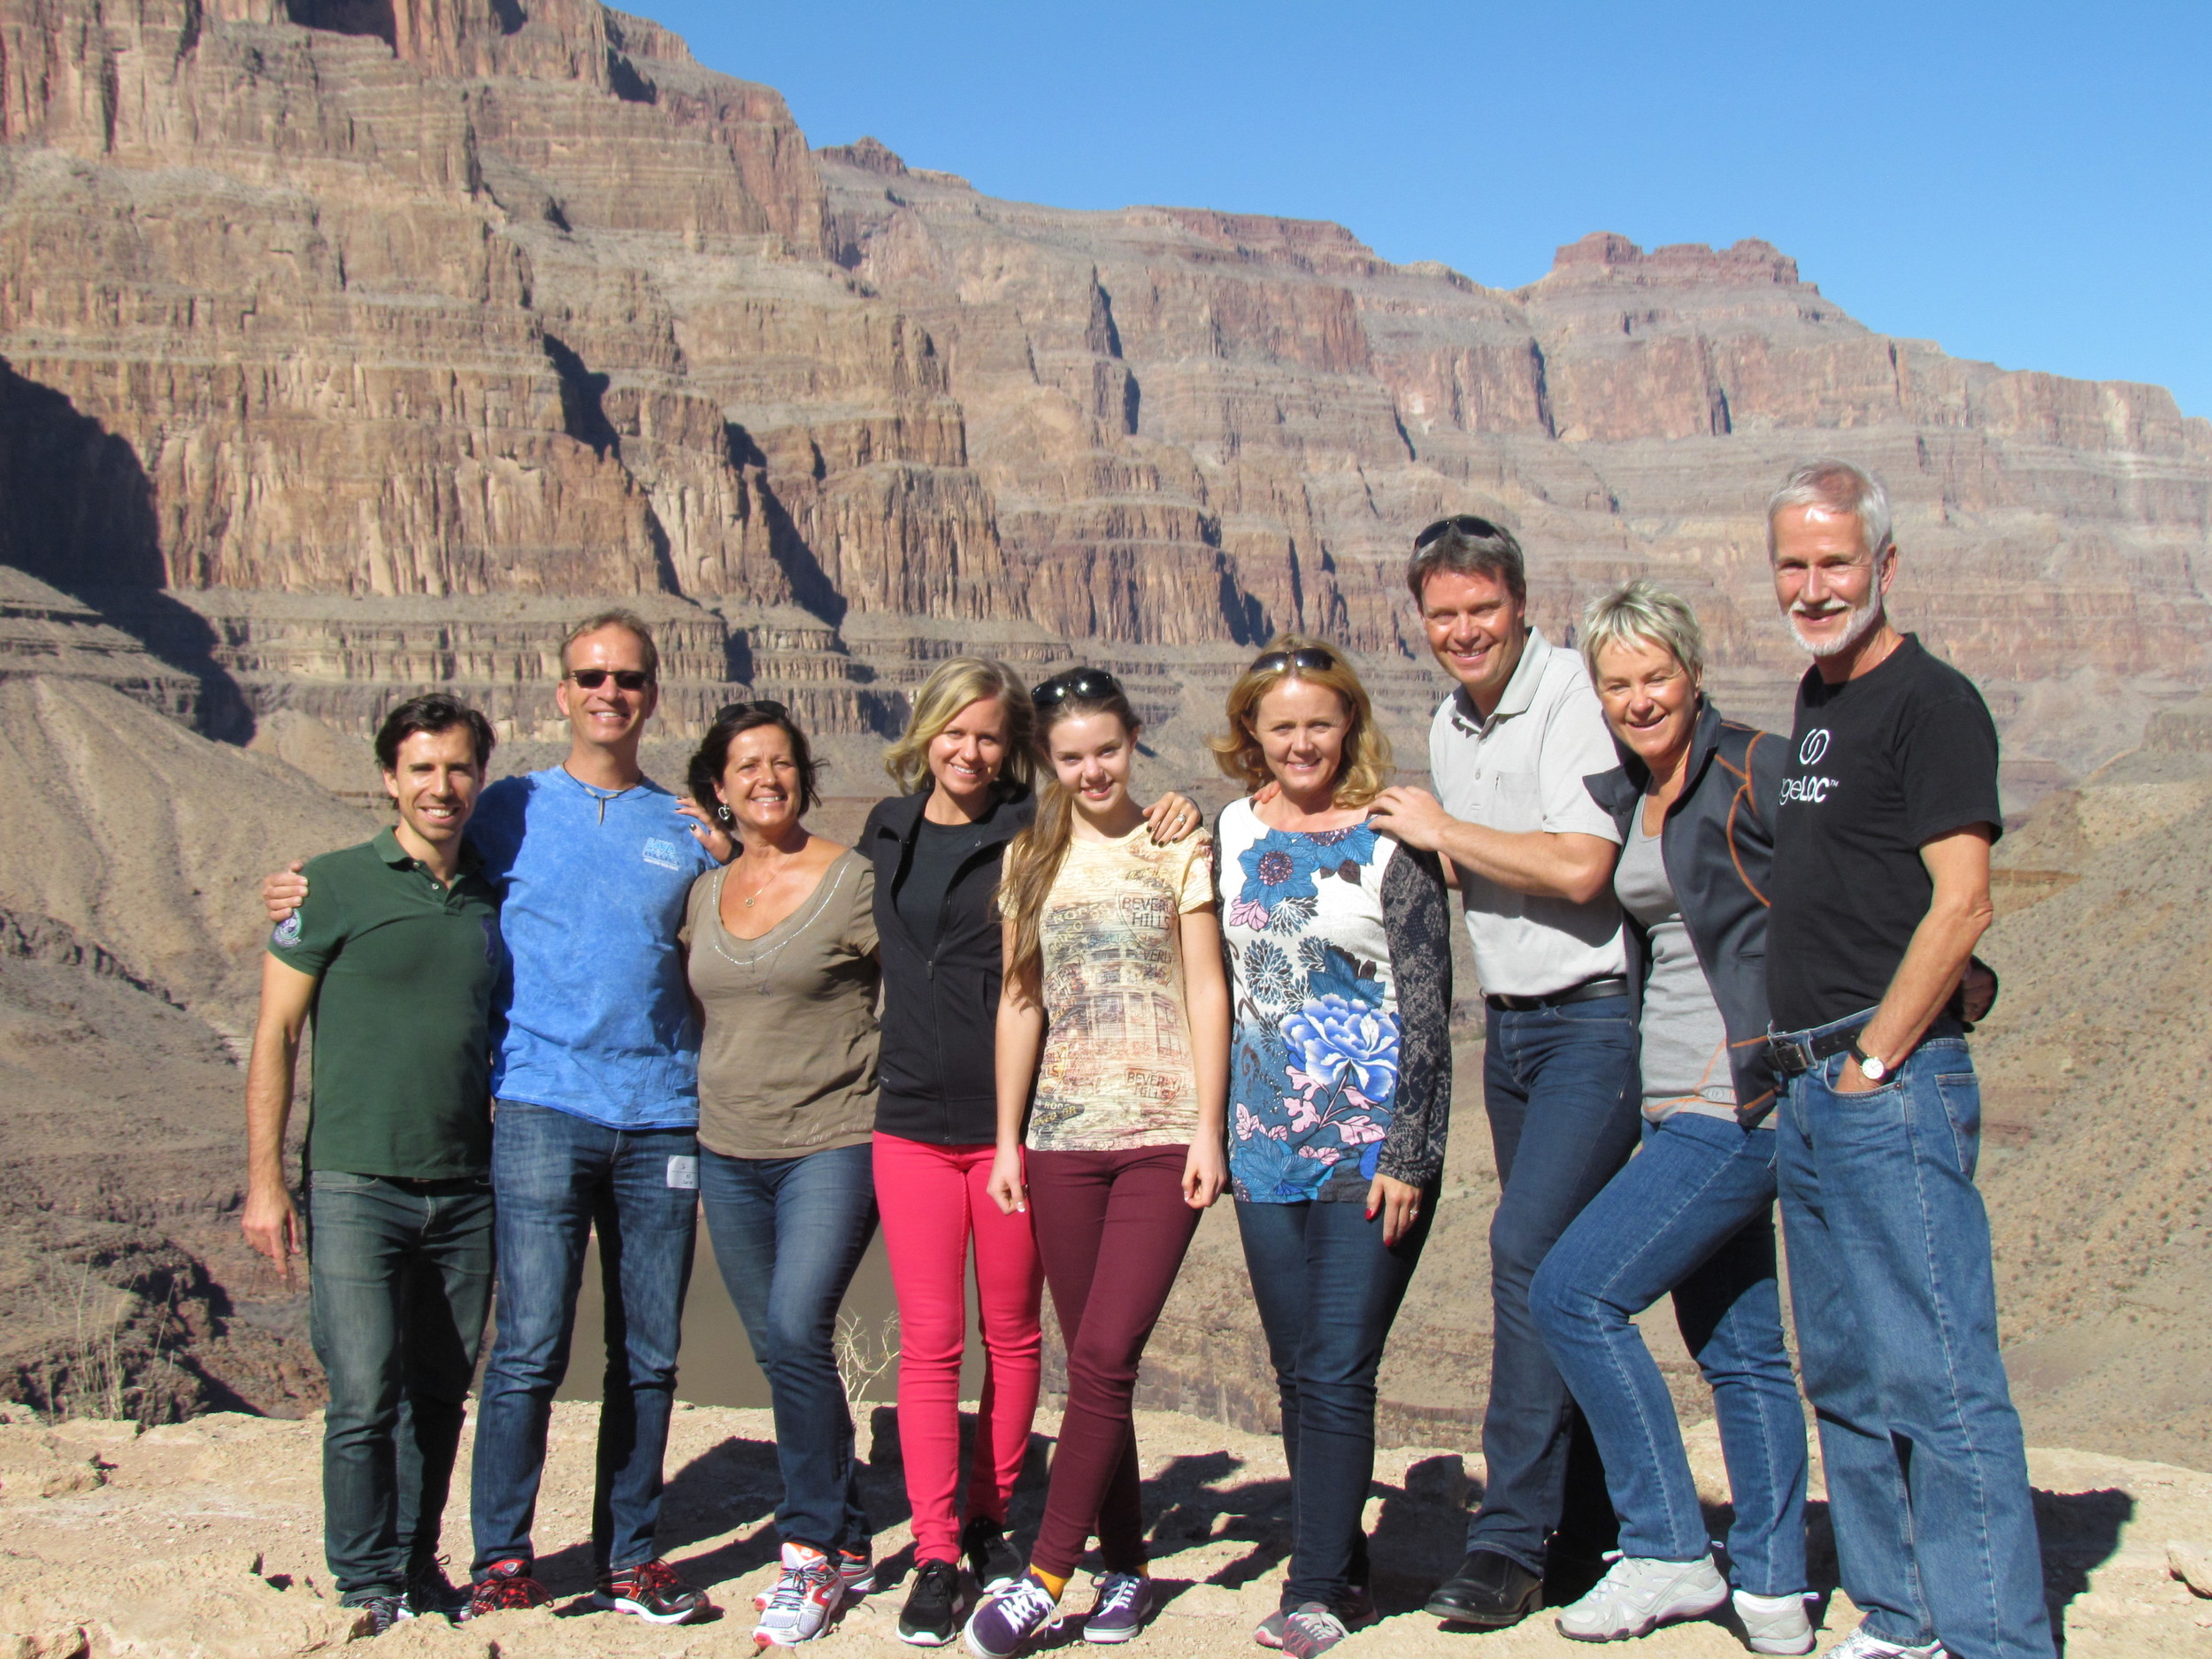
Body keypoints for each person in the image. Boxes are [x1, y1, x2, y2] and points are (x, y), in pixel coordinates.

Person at [265, 611, 728, 1625]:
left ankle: (631, 1556)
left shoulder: (687, 831)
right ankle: (503, 1558)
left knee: (649, 1353)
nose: (611, 692)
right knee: (526, 1350)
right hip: (536, 1113)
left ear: (652, 693)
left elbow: (747, 935)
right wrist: (300, 891)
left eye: (629, 678)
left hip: (660, 1120)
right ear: (561, 693)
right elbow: (401, 862)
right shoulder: (506, 807)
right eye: (591, 676)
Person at [1762, 460, 2050, 1659]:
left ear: (1883, 564)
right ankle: (1900, 1613)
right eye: (1794, 563)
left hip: (1890, 1080)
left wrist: (1877, 1057)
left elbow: (1963, 901)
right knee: (1844, 1366)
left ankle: (1995, 1636)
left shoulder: (1932, 701)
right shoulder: (1816, 699)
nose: (1814, 586)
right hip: (1809, 1081)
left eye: (1836, 562)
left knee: (1936, 1369)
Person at [861, 658, 1202, 1647]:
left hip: (1075, 1126)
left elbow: (1163, 921)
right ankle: (945, 1552)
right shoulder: (891, 831)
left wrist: (1182, 805)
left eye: (988, 737)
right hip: (953, 1124)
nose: (969, 751)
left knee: (1032, 1341)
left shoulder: (1042, 830)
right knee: (947, 1342)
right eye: (952, 731)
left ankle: (1007, 1537)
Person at [1522, 581, 1815, 1655]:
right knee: (1739, 1352)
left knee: (1573, 1292)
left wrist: (1942, 989)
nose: (1640, 698)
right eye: (1617, 683)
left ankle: (1666, 1550)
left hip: (1734, 1102)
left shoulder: (1757, 767)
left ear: (1692, 672)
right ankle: (1775, 1588)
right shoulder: (1630, 791)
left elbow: (1848, 886)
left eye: (1656, 676)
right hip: (1676, 1103)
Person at [1363, 515, 1639, 1628]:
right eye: (1444, 615)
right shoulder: (1450, 718)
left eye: (1484, 608)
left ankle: (1509, 1539)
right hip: (1514, 1034)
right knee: (1564, 1272)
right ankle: (1594, 1528)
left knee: (1525, 1251)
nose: (1465, 630)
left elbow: (1581, 868)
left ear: (1521, 604)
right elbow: (1460, 858)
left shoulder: (1570, 692)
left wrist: (1441, 829)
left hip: (1597, 1020)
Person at [961, 668, 1230, 1658]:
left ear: (1133, 741)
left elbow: (1206, 990)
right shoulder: (1029, 860)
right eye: (1070, 757)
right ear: (1047, 760)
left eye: (1107, 751)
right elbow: (1018, 1003)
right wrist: (1007, 1140)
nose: (1092, 771)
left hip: (1161, 1134)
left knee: (1108, 1356)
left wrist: (1208, 1127)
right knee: (1094, 1367)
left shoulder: (1174, 847)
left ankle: (1043, 1576)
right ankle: (1127, 1570)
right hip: (1063, 1141)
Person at [1210, 638, 1453, 1659]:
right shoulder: (1227, 827)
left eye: (1319, 722)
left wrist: (1409, 1152)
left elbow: (1431, 1005)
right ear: (1250, 736)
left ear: (1346, 723)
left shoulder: (1392, 837)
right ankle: (1342, 1562)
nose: (1302, 741)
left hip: (1369, 1144)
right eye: (1282, 725)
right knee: (1295, 1365)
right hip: (1264, 1143)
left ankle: (1314, 1588)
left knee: (1341, 1364)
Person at [242, 694, 503, 1633]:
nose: (442, 787)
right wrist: (267, 1182)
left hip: (468, 1188)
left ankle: (414, 1564)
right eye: (422, 769)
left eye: (459, 768)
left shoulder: (492, 890)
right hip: (356, 1181)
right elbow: (274, 1034)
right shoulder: (329, 887)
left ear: (480, 776)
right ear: (389, 778)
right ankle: (363, 1584)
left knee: (438, 1395)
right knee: (363, 1391)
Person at [679, 702, 884, 1648]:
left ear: (803, 774)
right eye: (745, 766)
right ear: (718, 788)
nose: (767, 778)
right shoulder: (701, 889)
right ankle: (845, 1531)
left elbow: (921, 985)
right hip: (726, 1146)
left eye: (782, 762)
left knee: (798, 1326)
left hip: (833, 1140)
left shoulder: (851, 881)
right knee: (775, 1345)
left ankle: (806, 1554)